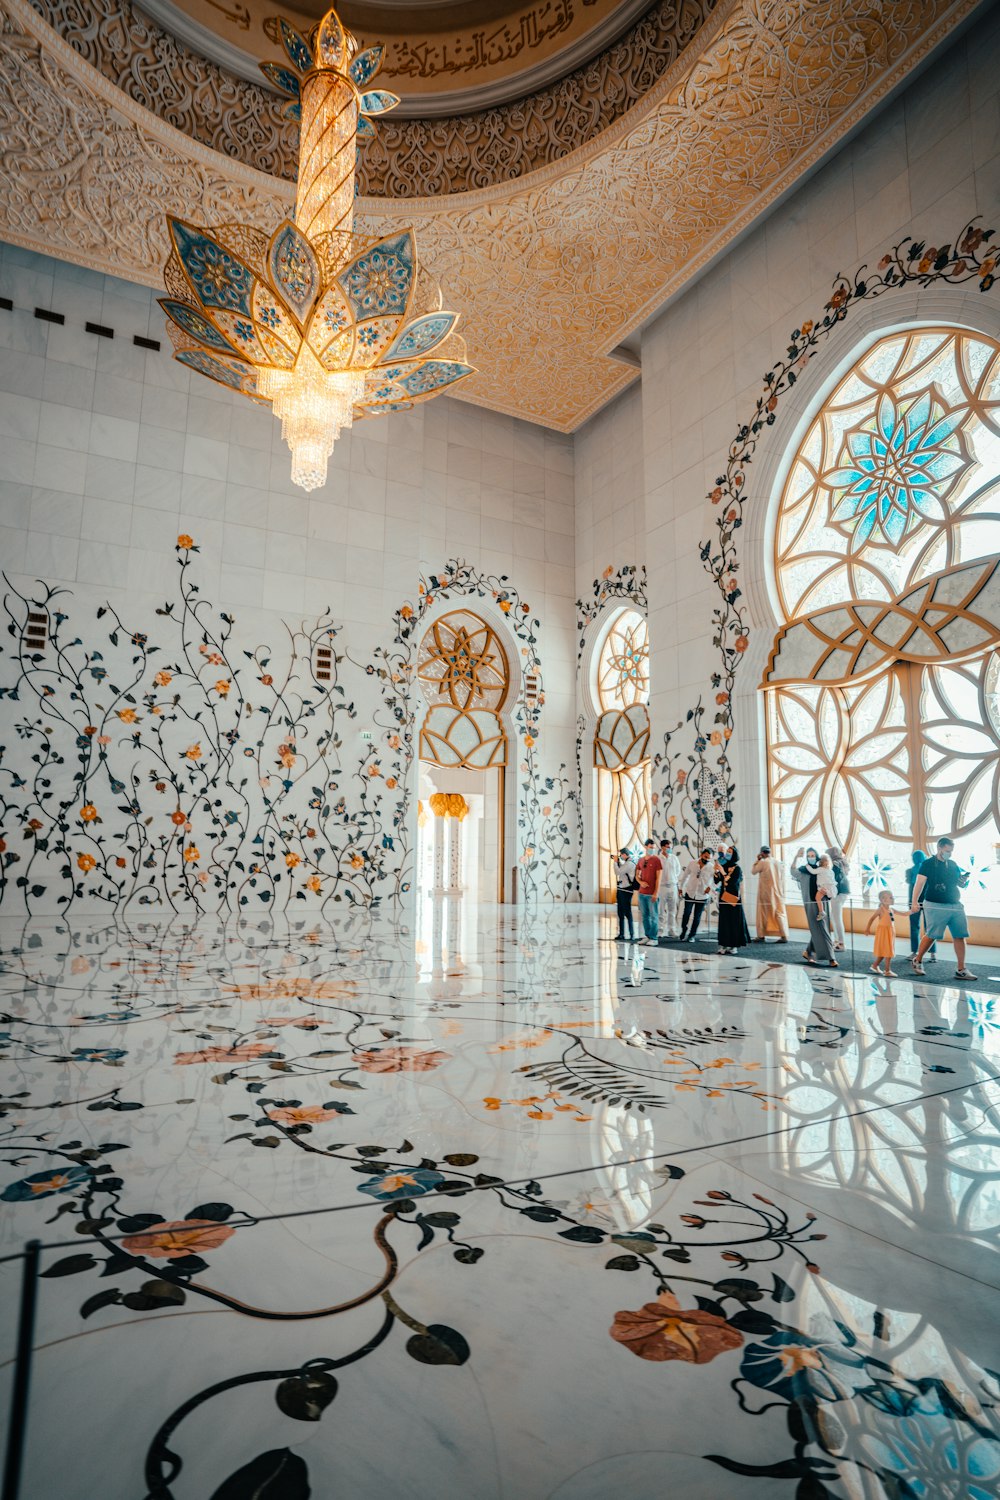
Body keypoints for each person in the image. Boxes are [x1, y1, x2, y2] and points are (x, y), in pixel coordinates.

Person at [910, 837, 976, 980]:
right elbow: (919, 883)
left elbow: (959, 883)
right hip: (935, 904)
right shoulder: (927, 864)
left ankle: (961, 969)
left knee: (960, 935)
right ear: (939, 848)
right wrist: (914, 901)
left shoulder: (952, 864)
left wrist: (963, 881)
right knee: (932, 935)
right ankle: (918, 960)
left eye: (951, 851)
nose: (949, 854)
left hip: (955, 904)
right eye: (947, 851)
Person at [793, 846, 837, 967]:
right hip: (811, 903)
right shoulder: (803, 871)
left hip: (824, 901)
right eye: (809, 856)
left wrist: (827, 891)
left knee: (821, 929)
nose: (811, 858)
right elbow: (792, 871)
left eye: (813, 855)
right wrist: (796, 857)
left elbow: (830, 881)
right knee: (821, 929)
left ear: (817, 856)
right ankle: (831, 958)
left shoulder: (821, 869)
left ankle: (808, 952)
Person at [715, 845, 750, 954]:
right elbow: (717, 881)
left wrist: (723, 872)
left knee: (733, 921)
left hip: (733, 899)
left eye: (730, 852)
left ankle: (734, 945)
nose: (728, 854)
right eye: (727, 852)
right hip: (723, 897)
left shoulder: (737, 868)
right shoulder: (724, 866)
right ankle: (724, 944)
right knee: (724, 921)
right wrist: (716, 872)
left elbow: (732, 883)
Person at [905, 848, 936, 963]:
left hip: (914, 901)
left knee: (915, 927)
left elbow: (911, 884)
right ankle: (932, 954)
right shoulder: (928, 870)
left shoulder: (910, 871)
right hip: (926, 901)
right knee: (930, 928)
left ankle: (915, 952)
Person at [751, 846, 788, 942]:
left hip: (766, 892)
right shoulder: (778, 862)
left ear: (762, 853)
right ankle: (784, 935)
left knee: (762, 912)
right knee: (779, 913)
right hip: (778, 892)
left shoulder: (763, 862)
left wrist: (757, 860)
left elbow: (753, 871)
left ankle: (761, 935)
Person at [678, 849, 714, 941]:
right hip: (690, 892)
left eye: (709, 858)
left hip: (702, 895)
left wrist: (711, 887)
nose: (707, 859)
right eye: (705, 857)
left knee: (697, 916)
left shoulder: (711, 867)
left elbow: (716, 881)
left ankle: (692, 935)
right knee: (686, 913)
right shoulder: (692, 863)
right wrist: (681, 887)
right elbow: (685, 875)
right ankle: (684, 929)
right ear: (701, 855)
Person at [635, 837, 662, 945]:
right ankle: (648, 936)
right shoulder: (641, 860)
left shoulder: (656, 860)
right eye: (651, 847)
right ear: (646, 847)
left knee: (654, 916)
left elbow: (658, 878)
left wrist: (656, 892)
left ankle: (654, 938)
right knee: (645, 916)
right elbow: (636, 875)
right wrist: (640, 882)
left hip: (652, 894)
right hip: (642, 893)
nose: (652, 850)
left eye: (654, 848)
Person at [657, 837, 683, 943]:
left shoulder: (674, 858)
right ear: (662, 847)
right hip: (662, 887)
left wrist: (673, 879)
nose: (670, 848)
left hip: (672, 886)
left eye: (671, 847)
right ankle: (660, 930)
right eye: (668, 847)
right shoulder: (658, 859)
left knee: (673, 910)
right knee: (661, 910)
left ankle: (672, 929)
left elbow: (678, 870)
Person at [866, 887, 897, 977]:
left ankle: (875, 966)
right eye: (890, 897)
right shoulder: (880, 909)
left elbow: (904, 914)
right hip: (883, 932)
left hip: (890, 932)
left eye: (892, 897)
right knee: (887, 951)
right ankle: (887, 970)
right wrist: (867, 929)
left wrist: (913, 910)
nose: (893, 899)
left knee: (885, 951)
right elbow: (872, 919)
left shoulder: (891, 909)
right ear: (883, 900)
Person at [826, 846, 851, 950]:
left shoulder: (835, 864)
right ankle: (837, 941)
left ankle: (841, 943)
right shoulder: (841, 862)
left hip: (838, 892)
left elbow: (834, 879)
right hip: (843, 891)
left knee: (837, 918)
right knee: (834, 916)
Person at [612, 848, 637, 942]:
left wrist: (615, 862)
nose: (620, 856)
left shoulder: (629, 864)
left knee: (627, 912)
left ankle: (632, 934)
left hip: (626, 890)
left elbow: (617, 872)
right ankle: (621, 934)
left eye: (621, 855)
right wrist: (618, 862)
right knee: (620, 912)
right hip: (621, 888)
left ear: (625, 854)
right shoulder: (627, 863)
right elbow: (622, 870)